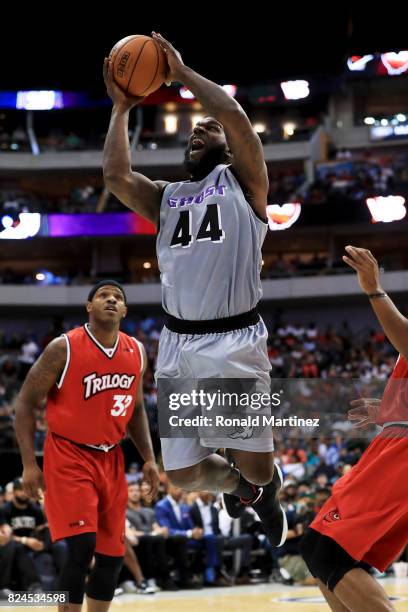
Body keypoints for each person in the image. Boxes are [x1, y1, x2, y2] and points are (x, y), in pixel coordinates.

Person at [103, 32, 286, 549]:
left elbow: (231, 114)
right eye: (194, 132)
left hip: (234, 342)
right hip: (179, 344)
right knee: (183, 475)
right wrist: (121, 108)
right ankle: (244, 491)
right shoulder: (166, 198)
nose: (201, 130)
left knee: (257, 463)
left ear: (229, 147)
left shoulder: (245, 183)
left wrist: (180, 74)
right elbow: (116, 175)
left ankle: (262, 485)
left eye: (210, 130)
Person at [15, 280, 160, 612]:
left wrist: (149, 459)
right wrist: (28, 463)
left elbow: (135, 409)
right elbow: (24, 404)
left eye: (118, 297)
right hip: (69, 453)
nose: (111, 300)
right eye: (103, 296)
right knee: (82, 547)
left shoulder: (136, 352)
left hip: (112, 457)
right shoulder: (63, 348)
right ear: (89, 307)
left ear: (124, 310)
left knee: (111, 557)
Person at [300, 246, 408, 612]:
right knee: (324, 551)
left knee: (328, 551)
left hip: (402, 455)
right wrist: (391, 409)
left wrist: (374, 290)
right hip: (395, 442)